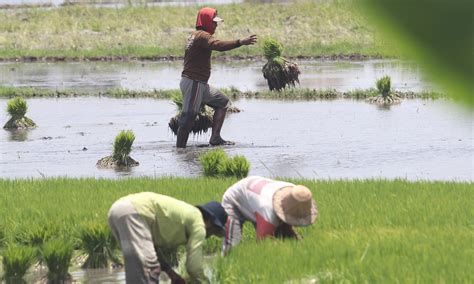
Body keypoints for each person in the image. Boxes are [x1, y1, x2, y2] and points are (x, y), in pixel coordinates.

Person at [176, 7, 258, 148]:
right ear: (206, 21)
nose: (216, 25)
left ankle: (215, 138)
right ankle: (180, 150)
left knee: (223, 102)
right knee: (188, 116)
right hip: (194, 82)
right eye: (214, 22)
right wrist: (240, 42)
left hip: (199, 83)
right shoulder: (202, 36)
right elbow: (218, 46)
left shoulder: (194, 35)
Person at [108, 192, 227, 283]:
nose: (210, 235)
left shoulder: (188, 215)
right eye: (214, 231)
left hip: (117, 211)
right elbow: (193, 267)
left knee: (136, 271)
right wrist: (207, 282)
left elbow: (152, 249)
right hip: (134, 212)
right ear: (211, 222)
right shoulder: (198, 223)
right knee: (149, 269)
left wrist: (171, 274)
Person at [221, 176, 318, 255]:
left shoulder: (296, 194)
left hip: (256, 197)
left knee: (285, 234)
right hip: (235, 201)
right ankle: (224, 265)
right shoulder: (268, 212)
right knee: (233, 247)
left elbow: (286, 231)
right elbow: (263, 244)